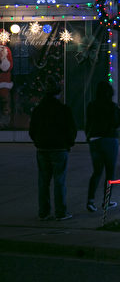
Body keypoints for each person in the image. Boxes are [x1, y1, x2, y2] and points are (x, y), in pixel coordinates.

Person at [29, 76, 77, 221]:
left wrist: (38, 141)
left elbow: (32, 130)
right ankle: (60, 212)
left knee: (43, 181)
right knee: (59, 181)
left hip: (43, 148)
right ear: (58, 94)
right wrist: (68, 143)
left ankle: (44, 212)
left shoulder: (38, 110)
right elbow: (71, 129)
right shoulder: (63, 109)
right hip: (59, 148)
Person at [85, 81, 120, 212]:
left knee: (97, 171)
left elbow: (88, 122)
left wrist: (89, 136)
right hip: (109, 139)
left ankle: (90, 200)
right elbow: (117, 123)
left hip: (95, 140)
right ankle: (106, 201)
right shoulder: (112, 106)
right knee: (109, 171)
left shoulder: (92, 105)